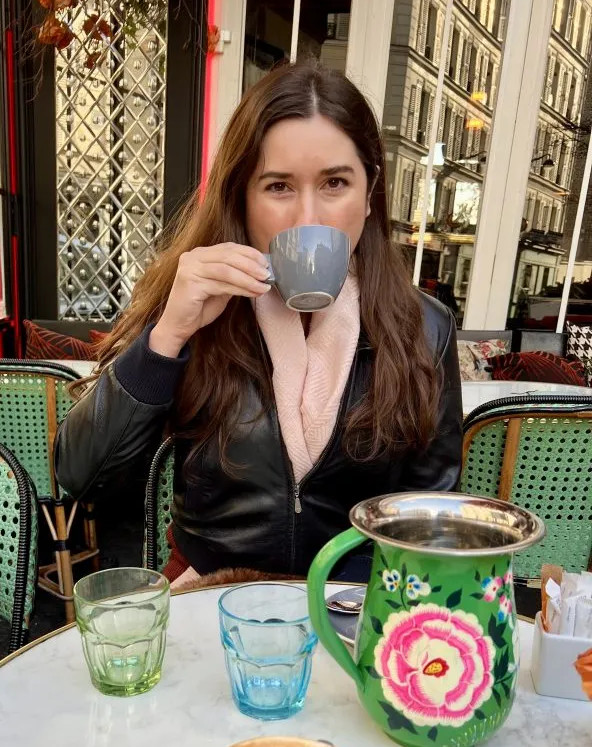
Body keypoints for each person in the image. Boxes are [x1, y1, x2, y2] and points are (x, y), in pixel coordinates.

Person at [55, 62, 463, 585]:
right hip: (212, 589)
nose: (308, 218)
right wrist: (168, 336)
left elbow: (427, 514)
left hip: (355, 597)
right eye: (278, 187)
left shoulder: (424, 328)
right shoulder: (201, 302)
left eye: (335, 182)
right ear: (242, 198)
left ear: (368, 195)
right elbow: (81, 476)